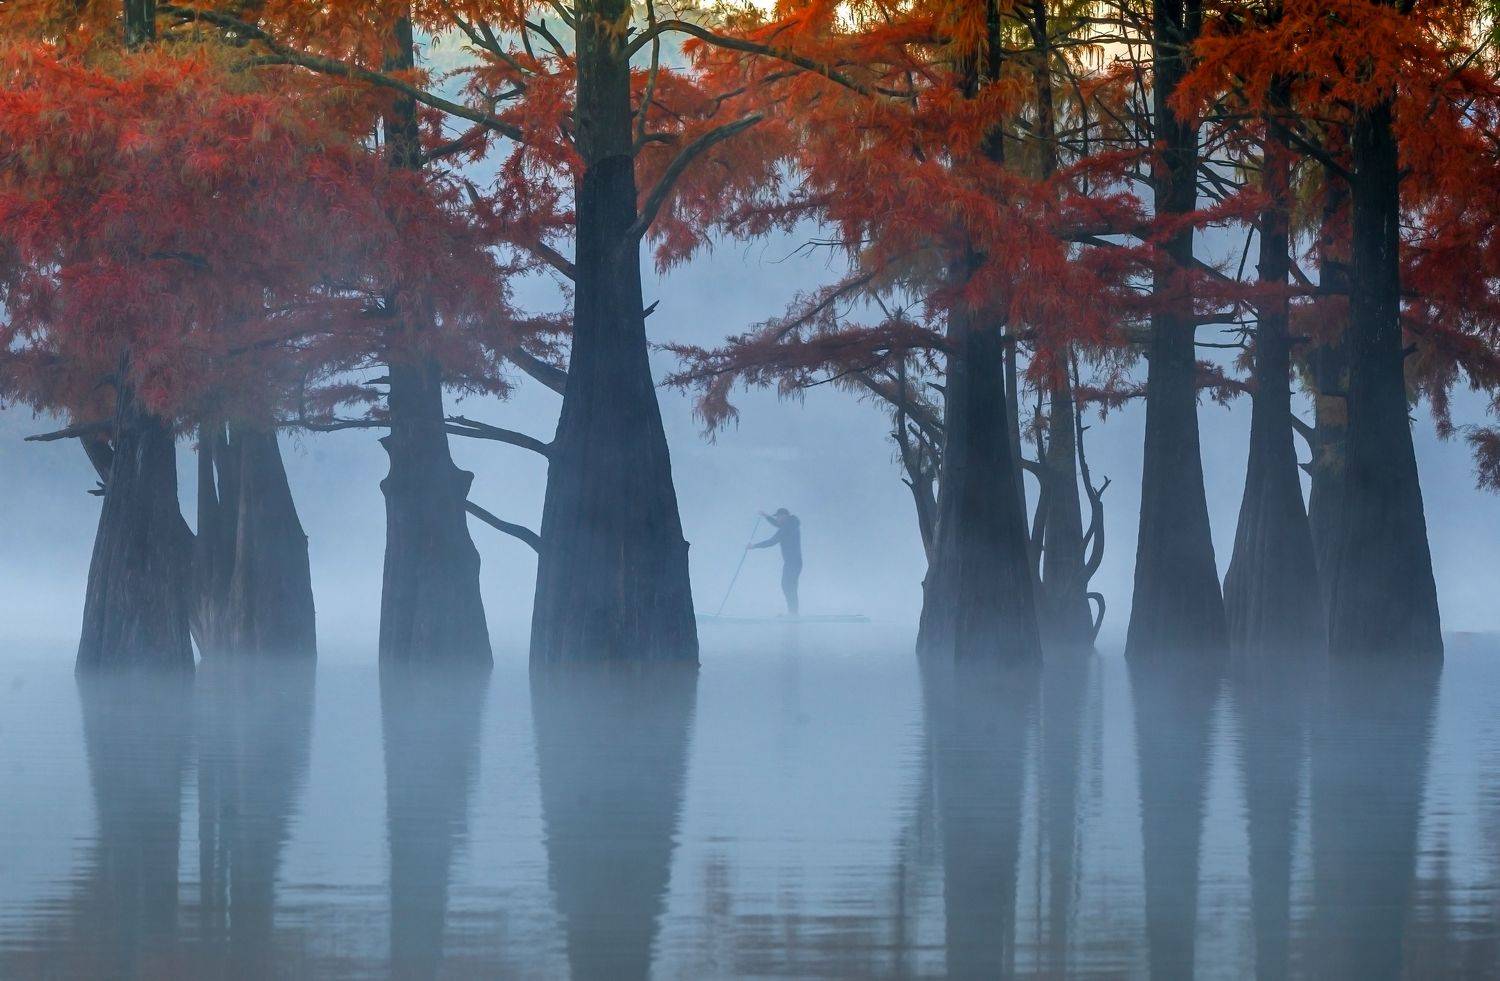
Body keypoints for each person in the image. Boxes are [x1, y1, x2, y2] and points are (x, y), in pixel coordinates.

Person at [748, 508, 802, 616]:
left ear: (784, 516)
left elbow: (772, 542)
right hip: (793, 562)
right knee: (789, 586)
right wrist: (766, 516)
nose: (777, 519)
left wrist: (754, 546)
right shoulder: (791, 524)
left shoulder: (786, 528)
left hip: (793, 562)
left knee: (788, 586)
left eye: (778, 516)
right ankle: (793, 612)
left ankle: (793, 613)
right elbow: (777, 524)